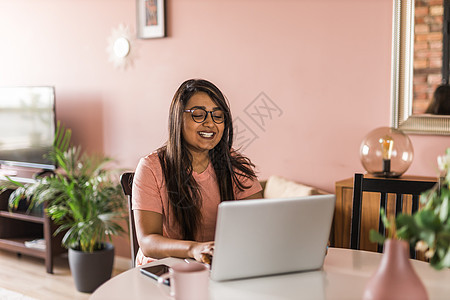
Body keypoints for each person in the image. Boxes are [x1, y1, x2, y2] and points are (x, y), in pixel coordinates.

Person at [132, 79, 263, 266]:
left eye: (218, 116)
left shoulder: (235, 166)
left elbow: (259, 224)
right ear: (178, 118)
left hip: (217, 264)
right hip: (164, 268)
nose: (210, 123)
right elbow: (147, 242)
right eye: (198, 115)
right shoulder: (151, 168)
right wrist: (194, 249)